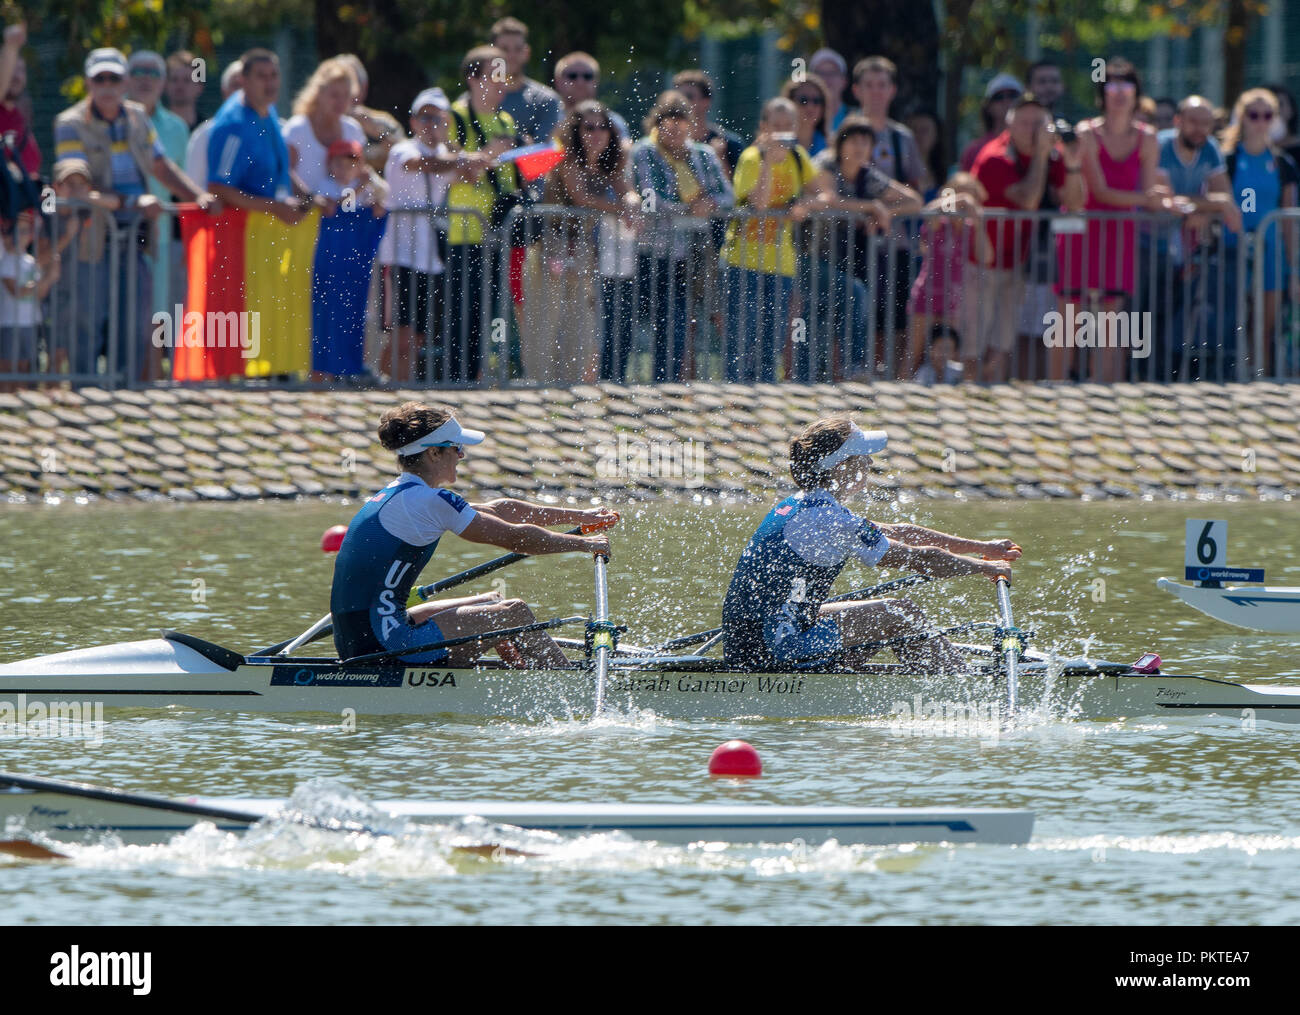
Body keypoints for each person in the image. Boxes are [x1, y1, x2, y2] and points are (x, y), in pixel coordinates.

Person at [720, 416, 1019, 672]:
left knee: (881, 615)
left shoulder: (804, 506)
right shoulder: (829, 520)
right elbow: (920, 559)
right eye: (863, 457)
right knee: (901, 614)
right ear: (841, 467)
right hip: (771, 650)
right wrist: (984, 567)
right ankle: (963, 688)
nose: (870, 462)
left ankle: (928, 677)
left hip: (761, 638)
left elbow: (901, 532)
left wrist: (982, 546)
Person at [330, 401, 616, 667]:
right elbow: (517, 538)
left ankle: (522, 668)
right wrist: (584, 544)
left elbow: (499, 510)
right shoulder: (429, 501)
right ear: (433, 452)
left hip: (361, 638)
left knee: (490, 601)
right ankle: (569, 689)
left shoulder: (401, 494)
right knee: (513, 612)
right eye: (456, 447)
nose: (462, 455)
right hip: (386, 645)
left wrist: (582, 517)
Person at [54, 47, 214, 382]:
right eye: (101, 78)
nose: (108, 85)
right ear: (89, 83)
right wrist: (130, 203)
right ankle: (85, 390)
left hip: (138, 234)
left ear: (124, 82)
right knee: (87, 317)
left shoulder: (138, 117)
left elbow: (161, 166)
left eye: (114, 78)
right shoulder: (69, 123)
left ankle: (127, 390)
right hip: (92, 235)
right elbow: (78, 185)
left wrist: (196, 196)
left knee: (136, 320)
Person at [1053, 58, 1168, 383]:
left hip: (1119, 233)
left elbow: (1149, 191)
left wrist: (1163, 201)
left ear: (1136, 93)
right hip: (1081, 230)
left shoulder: (1147, 137)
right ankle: (1054, 392)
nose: (1119, 92)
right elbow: (1101, 191)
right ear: (1102, 94)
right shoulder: (1087, 132)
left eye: (1126, 85)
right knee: (1068, 316)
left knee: (1110, 319)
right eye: (1112, 85)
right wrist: (1149, 199)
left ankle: (1105, 394)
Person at [972, 93, 1084, 382]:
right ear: (1009, 125)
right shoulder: (994, 156)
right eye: (1025, 123)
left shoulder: (1051, 153)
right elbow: (1029, 201)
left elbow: (1074, 204)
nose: (1033, 130)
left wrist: (1071, 164)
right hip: (982, 262)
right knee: (974, 342)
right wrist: (1041, 158)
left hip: (1017, 262)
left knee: (1003, 343)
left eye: (1039, 123)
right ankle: (964, 398)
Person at [525, 100, 638, 383]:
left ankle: (569, 389)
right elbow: (582, 198)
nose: (597, 133)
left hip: (582, 249)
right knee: (547, 321)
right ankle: (539, 388)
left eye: (603, 127)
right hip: (552, 244)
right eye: (588, 127)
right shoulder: (566, 158)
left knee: (582, 323)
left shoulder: (607, 162)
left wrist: (632, 203)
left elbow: (627, 191)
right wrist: (621, 209)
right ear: (575, 130)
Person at [805, 116, 922, 378]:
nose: (859, 146)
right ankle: (850, 368)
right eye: (853, 140)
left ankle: (843, 371)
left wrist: (886, 212)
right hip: (806, 258)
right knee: (853, 296)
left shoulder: (867, 175)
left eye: (865, 141)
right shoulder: (825, 163)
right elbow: (828, 200)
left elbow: (914, 201)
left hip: (840, 261)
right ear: (841, 144)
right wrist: (871, 207)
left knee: (852, 304)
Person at [631, 90, 733, 381]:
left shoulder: (703, 154)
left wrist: (709, 204)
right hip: (657, 250)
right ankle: (664, 382)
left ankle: (691, 383)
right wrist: (690, 209)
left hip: (698, 249)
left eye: (681, 121)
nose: (675, 128)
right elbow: (650, 198)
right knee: (668, 318)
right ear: (657, 123)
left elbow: (727, 195)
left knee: (700, 317)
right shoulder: (644, 152)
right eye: (668, 121)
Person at [720, 97, 818, 383]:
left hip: (781, 264)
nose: (783, 133)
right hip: (742, 262)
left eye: (789, 126)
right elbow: (759, 204)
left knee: (771, 340)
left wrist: (805, 204)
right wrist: (766, 161)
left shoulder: (799, 156)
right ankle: (734, 397)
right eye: (777, 126)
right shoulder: (751, 158)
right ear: (763, 128)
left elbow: (824, 193)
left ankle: (763, 399)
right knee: (741, 340)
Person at [445, 45, 524, 383]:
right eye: (495, 73)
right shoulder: (454, 117)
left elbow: (508, 176)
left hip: (497, 234)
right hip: (463, 232)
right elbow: (454, 167)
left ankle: (480, 378)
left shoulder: (505, 120)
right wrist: (493, 152)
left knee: (489, 313)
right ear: (473, 78)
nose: (503, 81)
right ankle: (455, 382)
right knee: (462, 315)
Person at [1154, 95, 1239, 378]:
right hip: (1149, 241)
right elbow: (1165, 196)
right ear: (1178, 121)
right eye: (1193, 121)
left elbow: (1226, 197)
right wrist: (1207, 204)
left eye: (1206, 123)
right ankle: (1139, 372)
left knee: (1178, 309)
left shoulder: (1210, 148)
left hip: (1183, 248)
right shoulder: (1161, 145)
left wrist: (1199, 207)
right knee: (1145, 310)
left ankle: (1168, 375)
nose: (1199, 128)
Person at [378, 87, 458, 383]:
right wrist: (462, 161)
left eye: (437, 118)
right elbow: (416, 165)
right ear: (412, 122)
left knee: (418, 335)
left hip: (428, 257)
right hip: (400, 254)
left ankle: (400, 386)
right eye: (424, 117)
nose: (430, 124)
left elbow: (468, 174)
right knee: (401, 331)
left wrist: (485, 157)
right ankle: (388, 388)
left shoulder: (447, 155)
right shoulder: (404, 149)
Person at [1221, 87, 1300, 377]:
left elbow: (1289, 219)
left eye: (1267, 115)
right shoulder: (1227, 160)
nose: (1260, 121)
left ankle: (1260, 379)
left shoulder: (1282, 164)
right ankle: (1231, 378)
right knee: (1235, 320)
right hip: (1234, 252)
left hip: (1272, 254)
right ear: (1242, 118)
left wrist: (1293, 269)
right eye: (1253, 114)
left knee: (1263, 326)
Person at [127, 49, 191, 374]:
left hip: (161, 238)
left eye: (153, 72)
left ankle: (150, 388)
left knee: (157, 315)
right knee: (122, 314)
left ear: (163, 82)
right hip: (119, 234)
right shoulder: (116, 119)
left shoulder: (178, 128)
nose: (145, 78)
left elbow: (182, 184)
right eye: (138, 70)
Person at [906, 171, 992, 378]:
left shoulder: (970, 228)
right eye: (962, 196)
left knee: (945, 353)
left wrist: (979, 225)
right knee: (914, 353)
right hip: (927, 293)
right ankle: (901, 388)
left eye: (971, 197)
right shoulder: (939, 223)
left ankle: (941, 392)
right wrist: (959, 200)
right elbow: (927, 210)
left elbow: (987, 256)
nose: (966, 204)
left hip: (952, 297)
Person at [283, 57, 367, 202]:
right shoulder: (297, 129)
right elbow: (284, 172)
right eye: (334, 95)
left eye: (346, 95)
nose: (341, 102)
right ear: (319, 93)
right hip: (301, 219)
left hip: (341, 220)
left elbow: (359, 176)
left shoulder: (353, 130)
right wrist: (312, 201)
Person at [486, 17, 565, 145]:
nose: (511, 55)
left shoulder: (546, 100)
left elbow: (541, 153)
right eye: (504, 49)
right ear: (490, 53)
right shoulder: (473, 100)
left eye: (518, 49)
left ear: (527, 53)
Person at [0, 210, 56, 386]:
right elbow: (16, 291)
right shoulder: (7, 261)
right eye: (20, 231)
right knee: (7, 366)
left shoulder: (31, 261)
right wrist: (43, 281)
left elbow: (39, 294)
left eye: (27, 231)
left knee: (25, 366)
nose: (24, 235)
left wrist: (50, 278)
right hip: (9, 323)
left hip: (30, 323)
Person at [337, 53, 402, 172]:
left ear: (364, 88)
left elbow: (406, 156)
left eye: (350, 85)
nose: (344, 93)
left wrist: (377, 132)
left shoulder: (383, 121)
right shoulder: (322, 123)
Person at [672, 69, 743, 176]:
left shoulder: (730, 144)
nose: (681, 102)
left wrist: (719, 158)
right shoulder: (667, 143)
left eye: (688, 97)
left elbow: (734, 190)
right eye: (678, 97)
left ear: (706, 102)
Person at [185, 60, 242, 188]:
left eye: (247, 85)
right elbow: (194, 189)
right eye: (236, 85)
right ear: (224, 91)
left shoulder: (277, 131)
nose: (243, 92)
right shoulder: (205, 134)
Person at [554, 53, 629, 141]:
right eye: (572, 76)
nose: (580, 82)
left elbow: (624, 151)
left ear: (596, 81)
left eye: (587, 76)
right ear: (557, 81)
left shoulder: (612, 122)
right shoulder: (548, 118)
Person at [960, 73, 1023, 172]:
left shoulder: (1034, 146)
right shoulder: (974, 150)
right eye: (998, 97)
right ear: (988, 107)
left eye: (1013, 95)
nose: (1006, 101)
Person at [0, 23, 39, 178]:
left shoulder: (21, 117)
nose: (16, 76)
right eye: (11, 69)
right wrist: (10, 48)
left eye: (21, 70)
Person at [782, 74, 831, 156]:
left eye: (816, 101)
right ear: (790, 103)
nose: (810, 106)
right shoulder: (777, 145)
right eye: (803, 100)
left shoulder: (832, 148)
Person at [904, 109, 944, 201]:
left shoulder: (948, 175)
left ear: (937, 135)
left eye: (924, 130)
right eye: (913, 130)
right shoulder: (898, 171)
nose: (918, 135)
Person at [809, 49, 851, 133]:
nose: (826, 79)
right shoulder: (802, 119)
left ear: (844, 81)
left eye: (832, 73)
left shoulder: (855, 117)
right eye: (820, 73)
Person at [163, 50, 204, 130]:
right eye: (174, 79)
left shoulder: (206, 129)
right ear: (165, 85)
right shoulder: (153, 128)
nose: (180, 85)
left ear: (200, 86)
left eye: (187, 80)